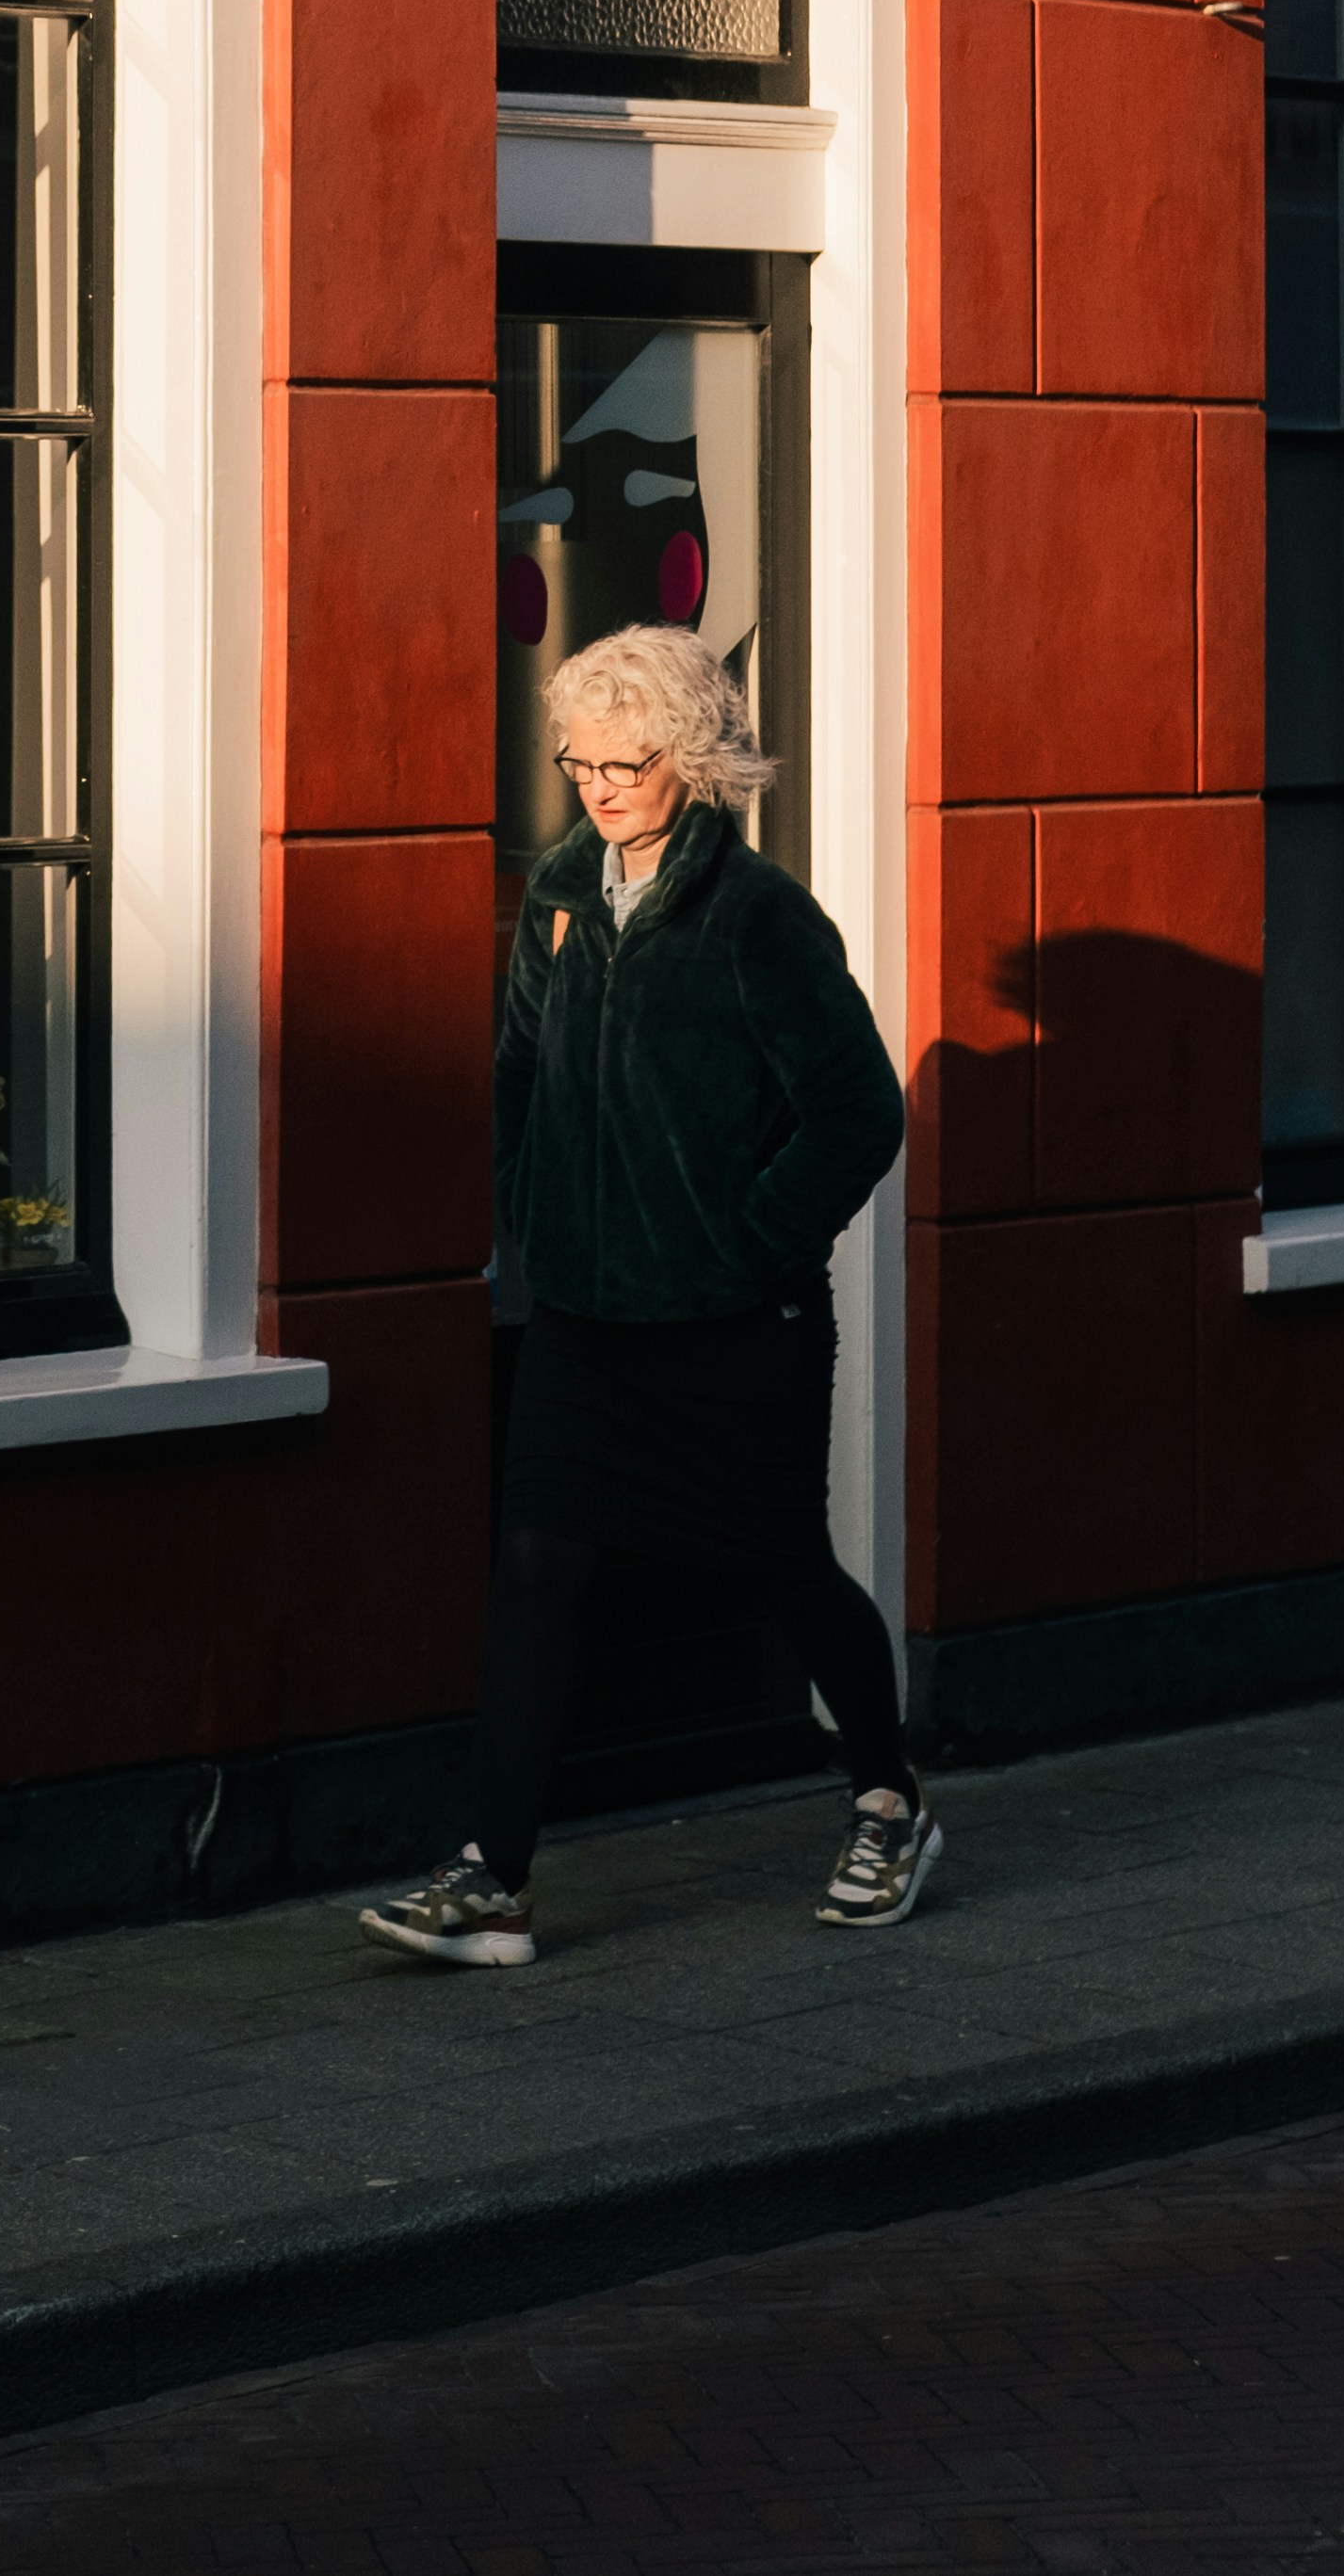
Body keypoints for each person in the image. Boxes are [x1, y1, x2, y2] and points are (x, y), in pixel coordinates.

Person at [363, 623, 937, 1969]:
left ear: (693, 760)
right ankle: (492, 1874)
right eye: (579, 760)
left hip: (741, 1322)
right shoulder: (558, 889)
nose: (600, 784)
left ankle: (886, 1801)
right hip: (584, 1319)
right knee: (534, 1569)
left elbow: (856, 1111)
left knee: (784, 1567)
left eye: (629, 760)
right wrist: (536, 1209)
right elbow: (515, 1065)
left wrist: (744, 1243)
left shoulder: (757, 916)